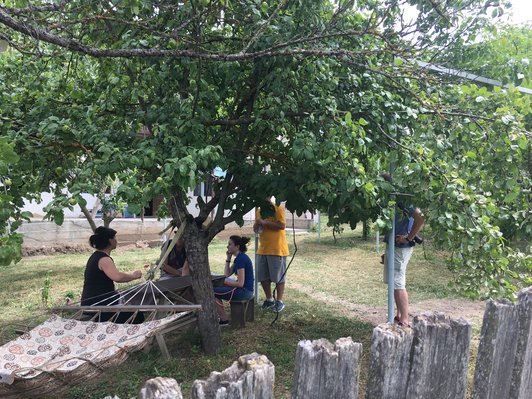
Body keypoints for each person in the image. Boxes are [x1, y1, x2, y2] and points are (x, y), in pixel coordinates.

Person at [81, 227, 144, 323]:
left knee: (132, 310)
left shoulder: (96, 256)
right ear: (110, 240)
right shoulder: (104, 259)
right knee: (137, 316)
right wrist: (133, 276)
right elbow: (117, 277)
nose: (116, 240)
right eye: (115, 238)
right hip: (97, 304)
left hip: (96, 302)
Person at [384, 201, 425, 327]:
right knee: (394, 282)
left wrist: (408, 238)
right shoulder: (392, 195)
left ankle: (405, 320)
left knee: (398, 282)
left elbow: (420, 217)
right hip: (393, 246)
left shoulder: (402, 197)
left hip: (400, 247)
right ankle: (400, 315)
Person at [254, 197, 289, 313]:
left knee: (278, 276)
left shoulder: (278, 208)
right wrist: (257, 225)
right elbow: (256, 229)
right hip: (263, 248)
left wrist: (264, 222)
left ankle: (279, 301)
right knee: (262, 276)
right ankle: (269, 299)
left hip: (277, 248)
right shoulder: (259, 211)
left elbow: (282, 225)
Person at [214, 235, 254, 326]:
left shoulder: (241, 259)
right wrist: (228, 259)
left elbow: (240, 283)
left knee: (211, 292)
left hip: (244, 292)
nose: (227, 246)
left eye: (230, 244)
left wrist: (223, 282)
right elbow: (226, 274)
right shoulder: (239, 258)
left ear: (237, 247)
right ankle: (222, 318)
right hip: (245, 290)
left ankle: (224, 320)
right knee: (217, 287)